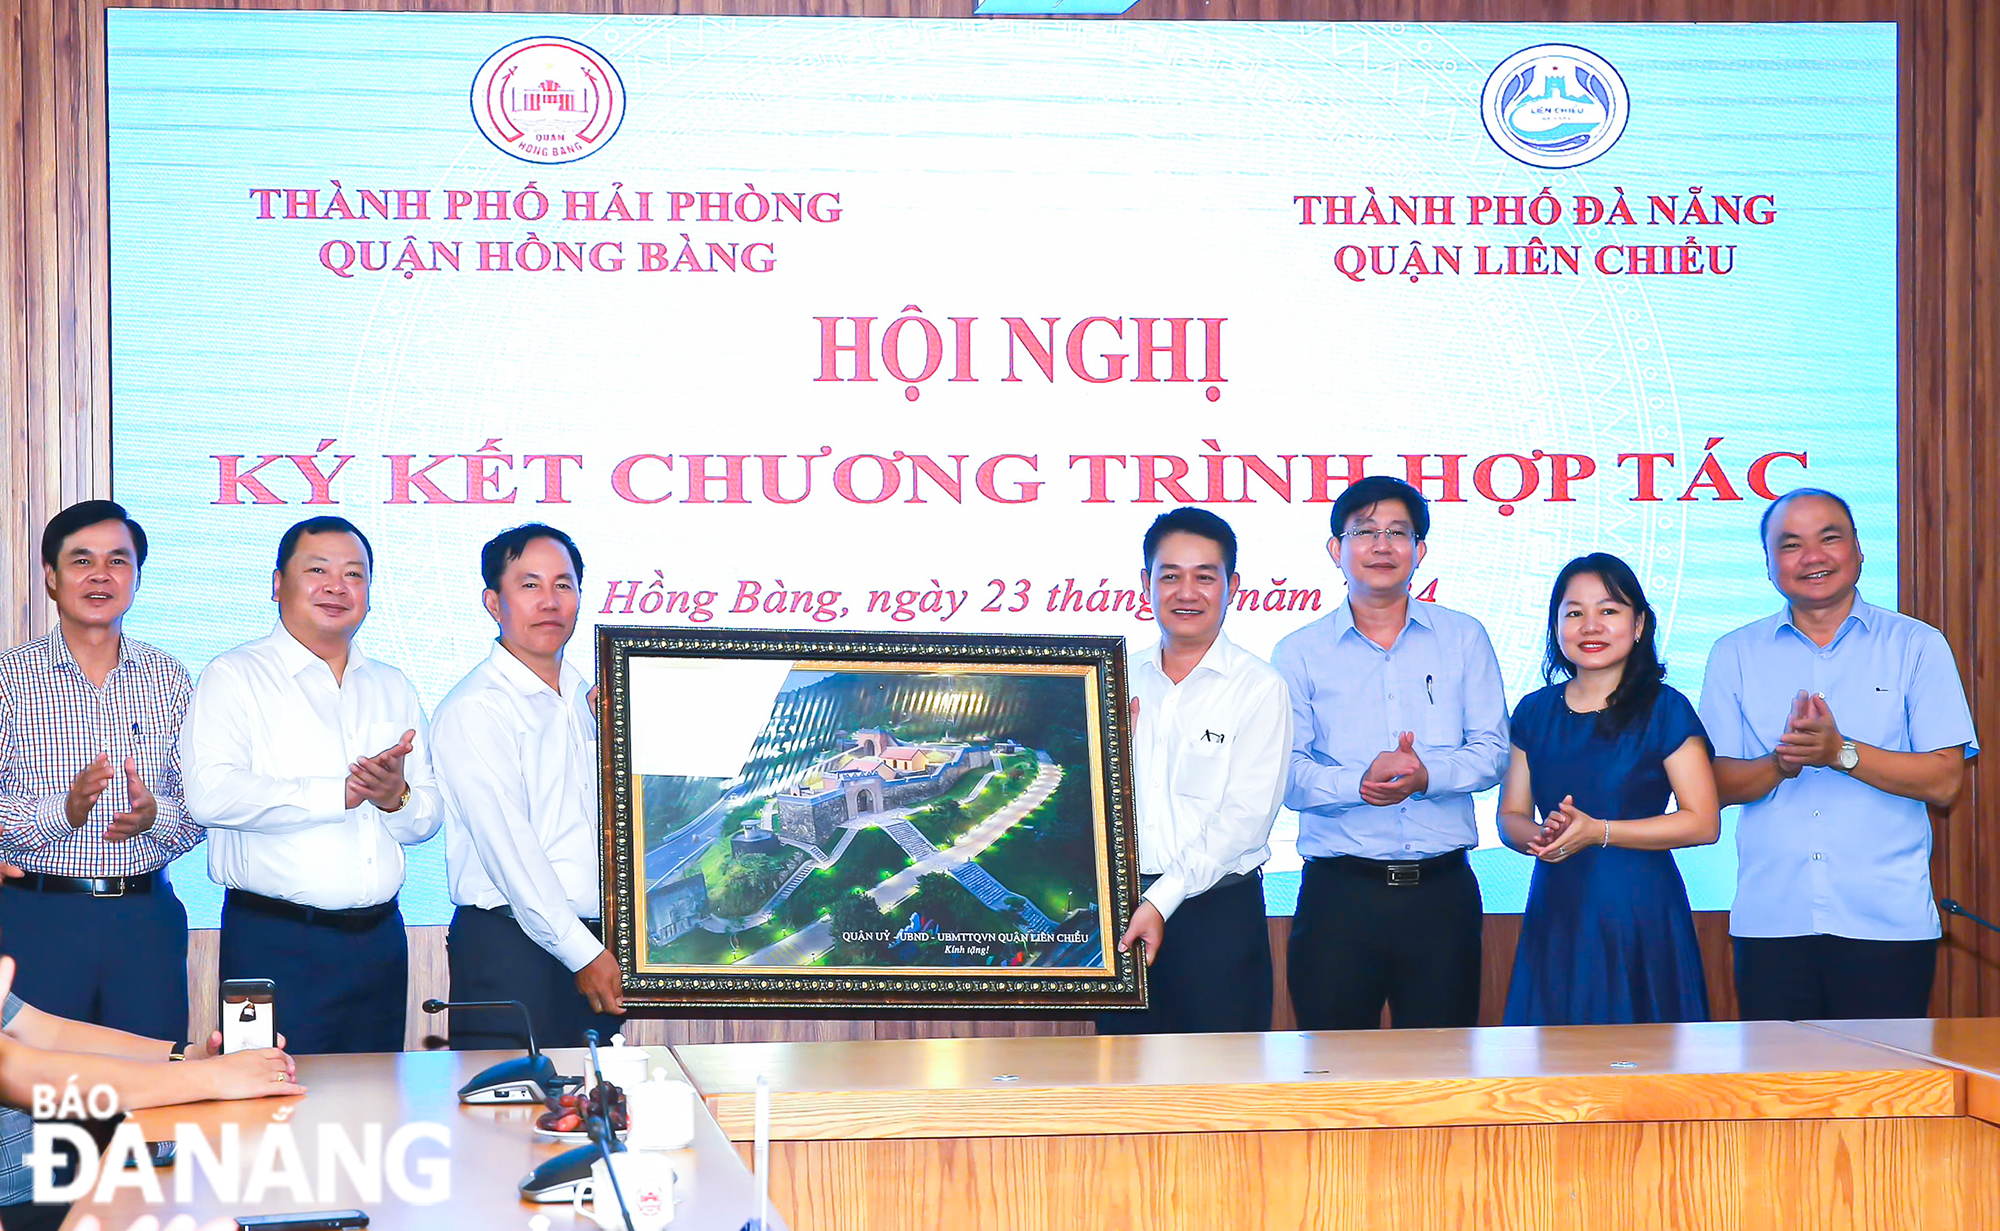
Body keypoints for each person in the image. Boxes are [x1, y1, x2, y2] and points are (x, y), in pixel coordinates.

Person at [1700, 489, 1976, 1021]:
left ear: (1858, 552)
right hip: (1772, 921)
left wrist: (1840, 752)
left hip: (1888, 922)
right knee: (1780, 1097)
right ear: (1768, 565)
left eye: (1830, 538)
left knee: (1887, 1099)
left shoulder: (1917, 645)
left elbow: (1945, 782)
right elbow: (1715, 785)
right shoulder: (1734, 652)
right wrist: (1781, 765)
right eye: (1791, 544)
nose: (1813, 557)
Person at [180, 516, 443, 1054]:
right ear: (278, 584)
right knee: (269, 1116)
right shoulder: (235, 676)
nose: (336, 586)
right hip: (275, 944)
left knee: (374, 1113)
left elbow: (428, 816)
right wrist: (336, 793)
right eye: (317, 570)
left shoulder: (392, 685)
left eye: (354, 574)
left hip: (380, 943)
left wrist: (397, 799)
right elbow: (211, 795)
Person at [1273, 475, 1509, 1030]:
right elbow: (1287, 776)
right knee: (1330, 1072)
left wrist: (1427, 774)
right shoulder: (1299, 652)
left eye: (1398, 532)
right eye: (1365, 531)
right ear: (1336, 550)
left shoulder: (1463, 637)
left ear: (1419, 551)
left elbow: (1494, 751)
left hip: (1441, 896)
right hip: (1340, 897)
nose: (1382, 545)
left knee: (1441, 1071)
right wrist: (1360, 783)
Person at [0, 501, 203, 1041]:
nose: (100, 575)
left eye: (118, 561)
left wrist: (154, 818)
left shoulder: (170, 680)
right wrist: (62, 812)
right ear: (51, 576)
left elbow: (204, 806)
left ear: (137, 576)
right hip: (36, 919)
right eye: (81, 560)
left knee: (150, 1099)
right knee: (41, 1104)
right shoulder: (10, 679)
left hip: (145, 921)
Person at [1498, 553, 1719, 1025]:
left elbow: (1703, 822)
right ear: (1556, 626)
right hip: (1558, 906)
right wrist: (1537, 837)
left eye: (1609, 610)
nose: (1590, 625)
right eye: (1574, 613)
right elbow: (1510, 815)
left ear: (1638, 624)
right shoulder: (1533, 711)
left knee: (1647, 1069)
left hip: (1638, 908)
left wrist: (1598, 831)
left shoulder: (1665, 708)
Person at [1097, 509, 1290, 1036]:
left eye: (1205, 576)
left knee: (1222, 1095)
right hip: (1120, 915)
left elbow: (1244, 820)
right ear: (1146, 583)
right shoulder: (1108, 679)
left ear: (1232, 586)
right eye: (1170, 575)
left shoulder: (1260, 687)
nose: (1187, 591)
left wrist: (1162, 900)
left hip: (1217, 917)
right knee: (1123, 1087)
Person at [432, 524, 625, 1051]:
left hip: (591, 943)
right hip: (512, 950)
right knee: (504, 1124)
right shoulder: (477, 708)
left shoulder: (595, 700)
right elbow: (510, 851)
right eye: (530, 585)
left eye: (564, 585)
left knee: (591, 1117)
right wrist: (582, 953)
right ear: (494, 602)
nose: (550, 602)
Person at [0, 941, 302, 1231]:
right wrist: (215, 1077)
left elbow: (46, 1034)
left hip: (35, 1195)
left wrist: (191, 1055)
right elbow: (25, 1073)